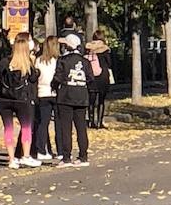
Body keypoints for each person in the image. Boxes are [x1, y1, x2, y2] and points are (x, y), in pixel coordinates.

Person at [0, 33, 41, 169]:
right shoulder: (26, 63)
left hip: (4, 99)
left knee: (8, 128)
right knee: (26, 127)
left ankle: (12, 159)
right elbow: (33, 78)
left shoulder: (4, 62)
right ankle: (25, 156)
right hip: (22, 99)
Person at [53, 33, 94, 165]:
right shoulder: (85, 61)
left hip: (66, 96)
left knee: (66, 127)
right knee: (81, 127)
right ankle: (83, 155)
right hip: (81, 96)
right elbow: (91, 78)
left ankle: (66, 157)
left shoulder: (63, 60)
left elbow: (57, 77)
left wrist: (54, 86)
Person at [31, 35, 60, 161]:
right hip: (56, 94)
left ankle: (41, 149)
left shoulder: (39, 61)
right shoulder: (58, 61)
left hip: (42, 93)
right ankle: (61, 150)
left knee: (43, 123)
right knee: (59, 123)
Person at [86, 32, 113, 128]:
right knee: (101, 100)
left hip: (91, 76)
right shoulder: (105, 49)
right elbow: (109, 63)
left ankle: (91, 121)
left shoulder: (88, 48)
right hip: (103, 76)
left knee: (91, 100)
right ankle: (100, 122)